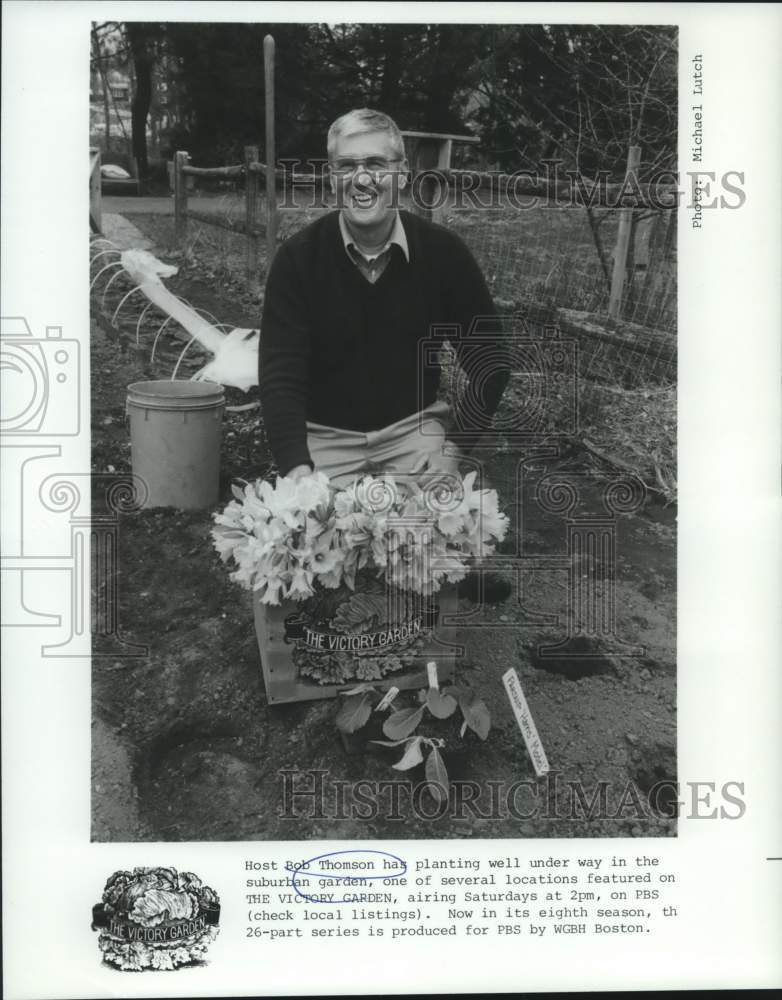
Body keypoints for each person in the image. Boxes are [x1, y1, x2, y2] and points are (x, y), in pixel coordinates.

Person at [259, 108, 510, 599]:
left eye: (376, 163)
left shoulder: (443, 255)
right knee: (304, 555)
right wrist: (297, 467)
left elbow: (491, 360)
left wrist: (454, 452)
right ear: (332, 177)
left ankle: (436, 614)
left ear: (401, 173)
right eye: (347, 166)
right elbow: (280, 373)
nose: (362, 179)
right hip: (325, 437)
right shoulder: (299, 260)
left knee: (439, 540)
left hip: (411, 433)